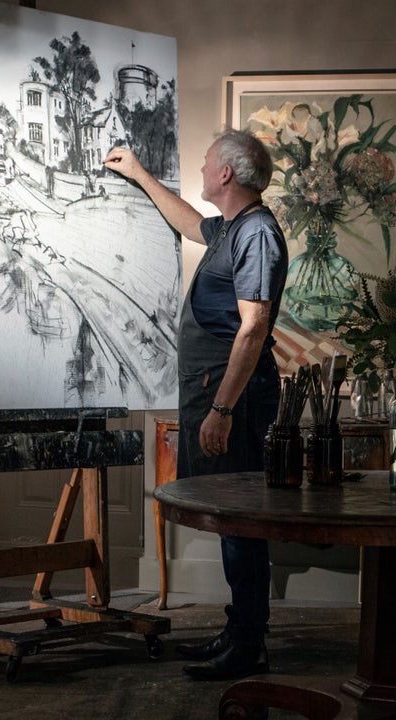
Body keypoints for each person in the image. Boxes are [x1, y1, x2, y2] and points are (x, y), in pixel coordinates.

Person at [104, 130, 286, 681]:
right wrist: (138, 173)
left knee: (241, 522)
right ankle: (238, 631)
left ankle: (248, 642)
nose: (203, 170)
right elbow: (188, 222)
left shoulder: (256, 234)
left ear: (227, 174)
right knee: (234, 521)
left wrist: (223, 410)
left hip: (232, 400)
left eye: (208, 164)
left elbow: (253, 330)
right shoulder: (233, 227)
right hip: (214, 392)